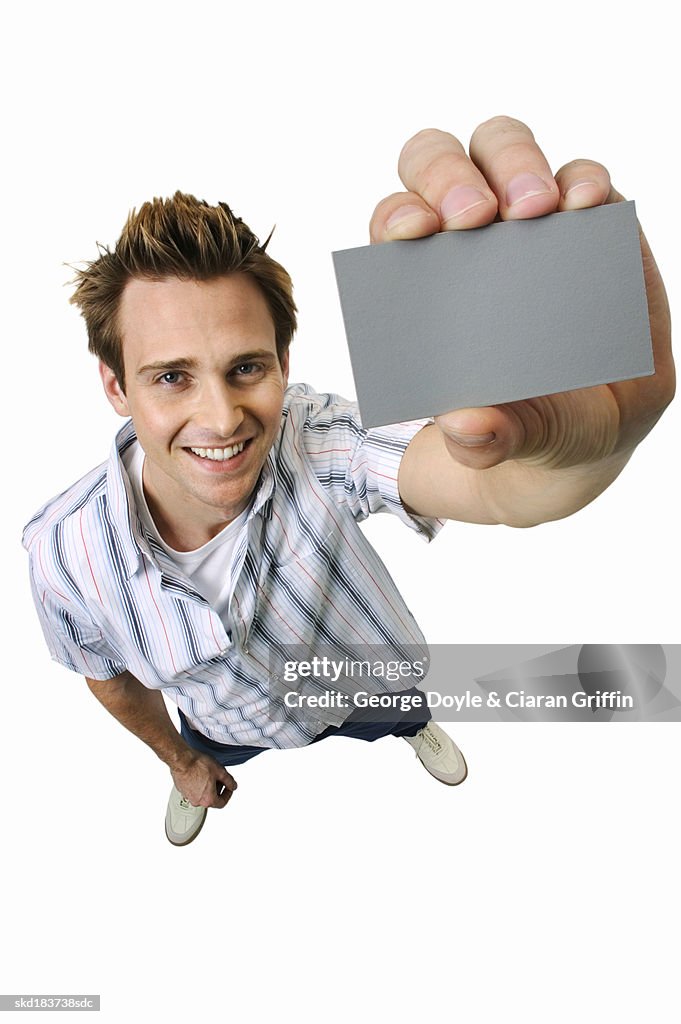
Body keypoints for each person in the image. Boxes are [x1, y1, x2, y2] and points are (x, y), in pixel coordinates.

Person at [22, 117, 674, 846]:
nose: (222, 417)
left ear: (282, 362)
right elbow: (107, 675)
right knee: (213, 750)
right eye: (171, 377)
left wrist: (581, 449)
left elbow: (492, 488)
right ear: (115, 386)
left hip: (369, 686)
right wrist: (178, 757)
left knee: (402, 708)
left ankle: (413, 727)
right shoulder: (59, 553)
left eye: (246, 368)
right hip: (223, 724)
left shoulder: (318, 439)